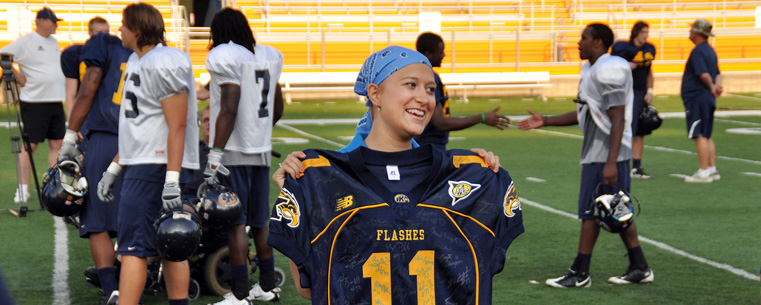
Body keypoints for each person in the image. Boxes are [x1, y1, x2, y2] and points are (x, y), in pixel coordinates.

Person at [267, 46, 524, 304]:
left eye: (430, 89)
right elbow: (309, 286)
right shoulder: (324, 179)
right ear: (375, 94)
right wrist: (300, 195)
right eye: (411, 84)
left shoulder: (467, 175)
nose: (424, 98)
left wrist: (482, 174)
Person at [518, 23, 653, 288]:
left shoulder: (608, 68)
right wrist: (545, 120)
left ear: (599, 43)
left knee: (592, 212)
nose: (578, 43)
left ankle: (581, 273)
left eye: (584, 38)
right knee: (614, 210)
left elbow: (617, 118)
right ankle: (639, 266)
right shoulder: (589, 68)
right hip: (597, 150)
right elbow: (584, 113)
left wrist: (611, 161)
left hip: (607, 152)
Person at [96, 3, 199, 305]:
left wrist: (172, 179)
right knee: (172, 241)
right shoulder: (137, 59)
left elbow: (177, 124)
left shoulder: (163, 60)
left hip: (156, 167)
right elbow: (139, 127)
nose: (119, 30)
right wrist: (115, 168)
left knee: (133, 249)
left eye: (124, 25)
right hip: (148, 164)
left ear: (138, 30)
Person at [202, 8, 284, 304]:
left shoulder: (225, 54)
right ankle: (266, 286)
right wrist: (259, 131)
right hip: (260, 150)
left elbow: (230, 107)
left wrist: (215, 155)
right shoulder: (268, 54)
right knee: (260, 222)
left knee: (236, 224)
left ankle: (238, 295)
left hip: (234, 151)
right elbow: (277, 108)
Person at [57, 15, 133, 305]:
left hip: (105, 138)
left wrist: (69, 136)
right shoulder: (147, 53)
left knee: (97, 220)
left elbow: (88, 90)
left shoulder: (101, 45)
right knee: (135, 217)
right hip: (143, 142)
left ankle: (111, 288)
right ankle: (136, 280)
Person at [0, 7, 66, 204]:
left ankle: (55, 185)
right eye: (53, 21)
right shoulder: (27, 40)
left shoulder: (54, 42)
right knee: (30, 146)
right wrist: (19, 77)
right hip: (34, 102)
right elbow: (3, 54)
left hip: (55, 100)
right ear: (42, 21)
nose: (55, 25)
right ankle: (22, 189)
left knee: (57, 144)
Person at [413, 32, 511, 150]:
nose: (444, 55)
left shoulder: (419, 74)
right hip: (430, 146)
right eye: (440, 52)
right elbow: (440, 122)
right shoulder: (430, 77)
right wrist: (482, 118)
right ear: (428, 54)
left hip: (426, 145)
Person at [611, 21, 656, 180]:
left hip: (640, 93)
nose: (646, 35)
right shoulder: (623, 48)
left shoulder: (648, 49)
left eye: (647, 32)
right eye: (643, 31)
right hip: (625, 93)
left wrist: (649, 91)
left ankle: (636, 167)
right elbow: (612, 68)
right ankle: (617, 163)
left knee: (640, 131)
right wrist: (625, 65)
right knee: (624, 129)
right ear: (636, 32)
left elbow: (649, 73)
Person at [681, 18, 722, 183]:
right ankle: (712, 169)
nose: (689, 31)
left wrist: (711, 86)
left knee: (699, 134)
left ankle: (703, 171)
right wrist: (716, 86)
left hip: (697, 96)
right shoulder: (710, 50)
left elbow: (703, 74)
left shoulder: (697, 51)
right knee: (707, 134)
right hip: (707, 97)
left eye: (692, 29)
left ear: (698, 32)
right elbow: (718, 73)